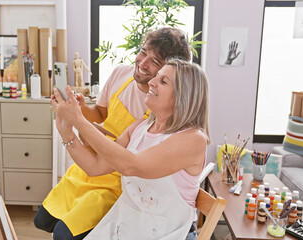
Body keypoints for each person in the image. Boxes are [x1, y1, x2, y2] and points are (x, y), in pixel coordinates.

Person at [34, 27, 191, 240]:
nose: (143, 64)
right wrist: (81, 111)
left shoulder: (158, 108)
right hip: (92, 163)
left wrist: (77, 123)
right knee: (42, 221)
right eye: (143, 52)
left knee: (64, 235)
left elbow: (121, 155)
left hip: (117, 179)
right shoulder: (121, 75)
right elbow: (100, 113)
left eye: (155, 62)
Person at [51, 58, 210, 239]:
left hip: (166, 233)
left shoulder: (193, 139)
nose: (151, 82)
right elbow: (95, 166)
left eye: (163, 81)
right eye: (156, 77)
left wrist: (79, 120)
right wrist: (67, 133)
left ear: (183, 96)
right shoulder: (142, 127)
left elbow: (130, 165)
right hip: (127, 225)